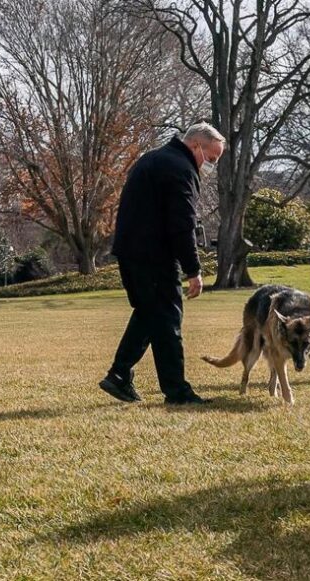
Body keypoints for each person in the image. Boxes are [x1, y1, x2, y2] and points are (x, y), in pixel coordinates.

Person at [98, 122, 225, 405]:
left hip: (131, 252)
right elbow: (182, 225)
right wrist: (193, 270)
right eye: (212, 158)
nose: (211, 166)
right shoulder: (180, 170)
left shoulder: (154, 158)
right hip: (154, 255)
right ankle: (177, 391)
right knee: (168, 319)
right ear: (196, 147)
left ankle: (119, 374)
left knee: (149, 313)